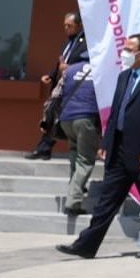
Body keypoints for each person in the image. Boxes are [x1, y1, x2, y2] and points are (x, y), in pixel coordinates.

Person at [56, 33, 140, 259]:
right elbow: (116, 111)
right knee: (107, 200)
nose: (125, 53)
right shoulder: (124, 76)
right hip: (119, 149)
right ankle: (86, 245)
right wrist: (106, 142)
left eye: (130, 49)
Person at [25, 12, 88, 160]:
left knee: (58, 116)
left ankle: (45, 148)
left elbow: (87, 65)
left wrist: (70, 68)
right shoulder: (68, 43)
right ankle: (44, 149)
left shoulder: (86, 43)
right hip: (61, 85)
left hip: (75, 86)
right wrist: (51, 75)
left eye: (70, 25)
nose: (66, 28)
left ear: (79, 26)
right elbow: (61, 63)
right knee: (52, 114)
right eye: (65, 25)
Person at [57, 60, 101, 220]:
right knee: (85, 160)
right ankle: (73, 202)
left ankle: (73, 190)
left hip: (66, 118)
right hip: (86, 118)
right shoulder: (102, 69)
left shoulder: (70, 70)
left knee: (75, 155)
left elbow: (57, 93)